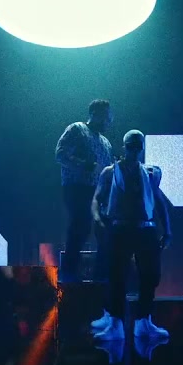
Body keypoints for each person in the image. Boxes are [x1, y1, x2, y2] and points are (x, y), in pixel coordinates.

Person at [91, 130, 171, 341]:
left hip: (145, 228)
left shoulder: (150, 173)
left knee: (150, 275)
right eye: (130, 146)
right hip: (120, 228)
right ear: (124, 146)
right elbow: (97, 198)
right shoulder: (110, 172)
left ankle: (144, 322)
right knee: (116, 276)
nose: (134, 150)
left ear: (141, 148)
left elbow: (159, 201)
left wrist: (167, 229)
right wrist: (98, 218)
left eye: (137, 146)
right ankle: (115, 324)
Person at [55, 99, 114, 283]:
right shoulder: (77, 129)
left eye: (110, 118)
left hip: (99, 194)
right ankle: (69, 276)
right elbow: (60, 154)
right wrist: (85, 165)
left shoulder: (106, 142)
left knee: (105, 231)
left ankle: (100, 278)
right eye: (106, 117)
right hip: (77, 188)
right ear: (94, 114)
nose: (108, 122)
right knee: (80, 228)